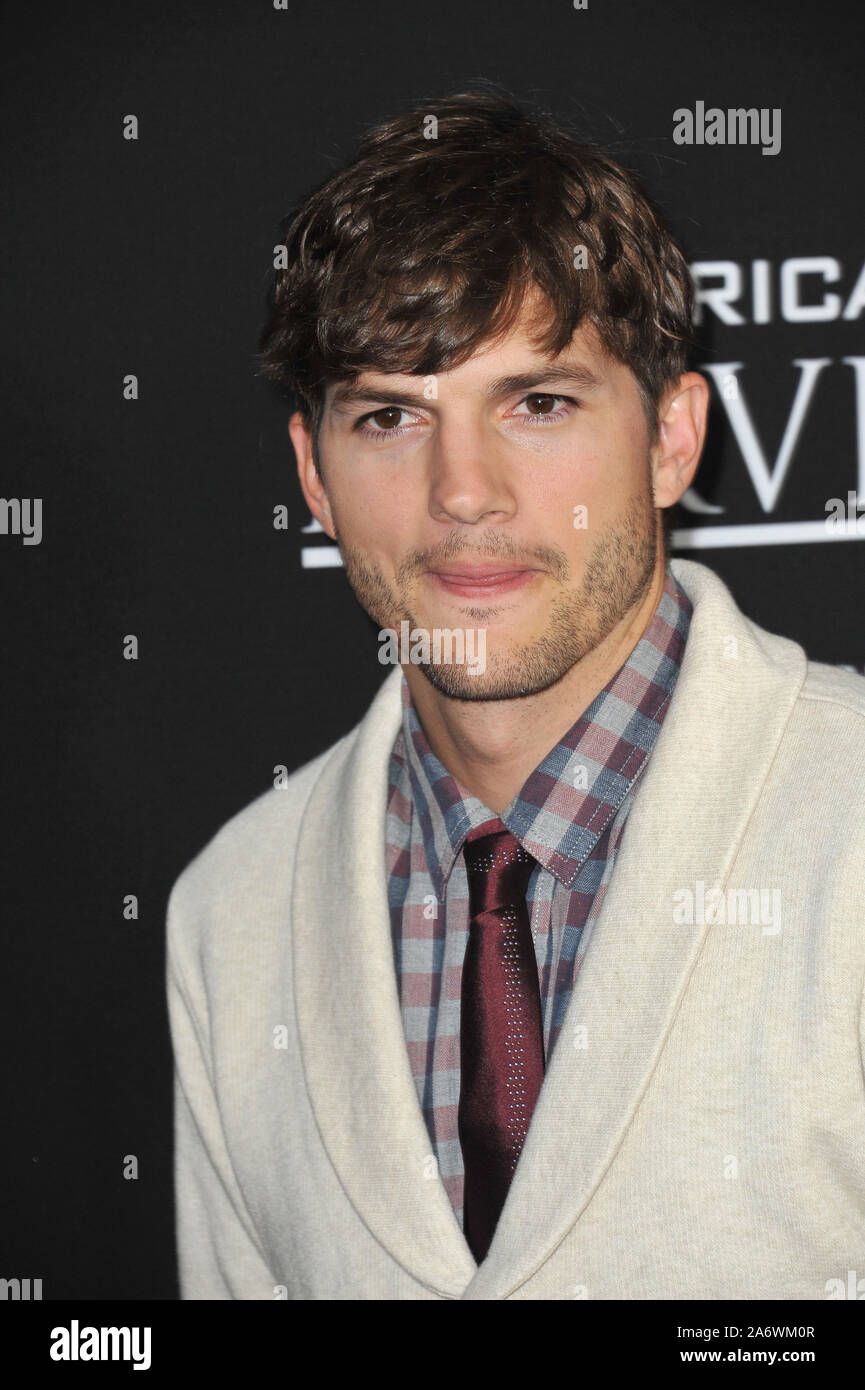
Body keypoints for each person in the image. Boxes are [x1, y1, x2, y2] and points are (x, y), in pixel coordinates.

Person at [166, 90, 865, 1300]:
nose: (464, 493)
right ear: (312, 478)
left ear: (671, 439)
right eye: (390, 416)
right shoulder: (228, 913)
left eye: (537, 403)